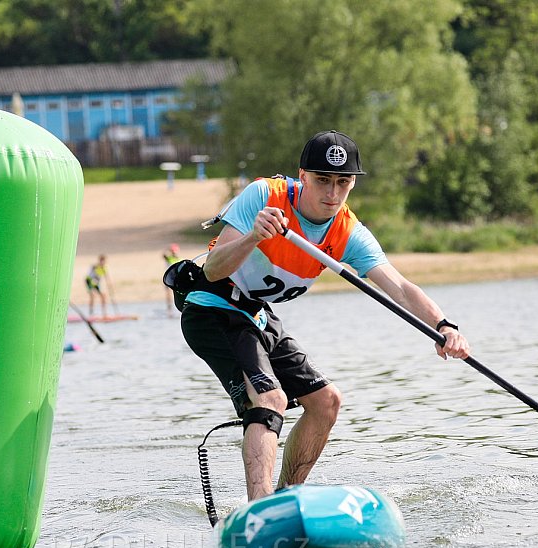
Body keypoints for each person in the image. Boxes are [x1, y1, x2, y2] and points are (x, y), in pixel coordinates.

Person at [173, 130, 470, 502]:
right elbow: (213, 270)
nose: (331, 194)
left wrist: (444, 325)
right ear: (303, 176)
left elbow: (399, 286)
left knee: (327, 402)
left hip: (256, 314)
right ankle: (261, 509)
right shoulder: (265, 196)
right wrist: (253, 236)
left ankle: (287, 500)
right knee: (270, 399)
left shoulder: (348, 233)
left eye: (342, 183)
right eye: (322, 181)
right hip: (211, 306)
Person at [162, 244, 181, 314]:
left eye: (175, 252)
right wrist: (167, 249)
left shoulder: (179, 259)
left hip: (176, 279)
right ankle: (169, 306)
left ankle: (175, 305)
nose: (174, 253)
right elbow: (164, 255)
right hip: (168, 278)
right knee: (168, 293)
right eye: (173, 252)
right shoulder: (169, 258)